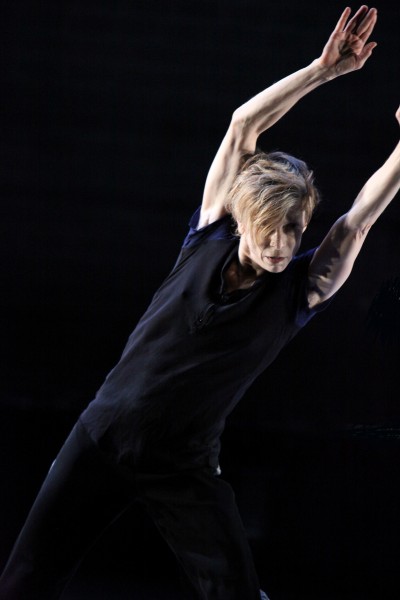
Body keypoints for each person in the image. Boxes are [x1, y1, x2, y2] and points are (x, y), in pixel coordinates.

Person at [0, 5, 398, 600]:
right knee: (22, 583)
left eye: (295, 229)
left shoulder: (300, 291)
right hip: (102, 436)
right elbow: (242, 126)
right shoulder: (208, 236)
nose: (283, 245)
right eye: (270, 231)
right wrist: (323, 70)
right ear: (242, 220)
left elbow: (358, 222)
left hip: (183, 467)